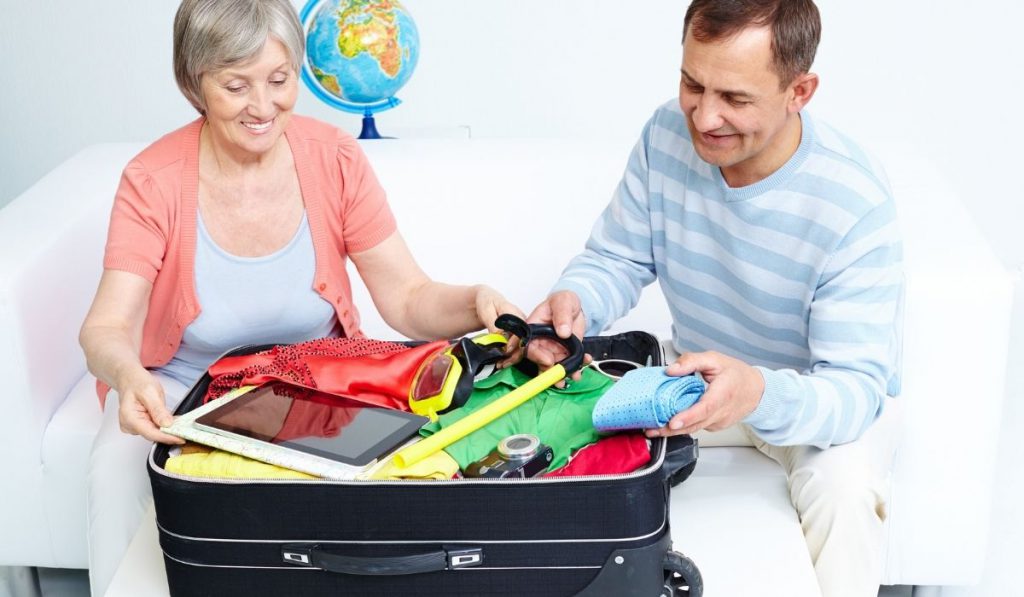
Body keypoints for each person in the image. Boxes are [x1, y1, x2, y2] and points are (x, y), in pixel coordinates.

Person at [77, 0, 519, 594]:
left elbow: (408, 297)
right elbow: (105, 329)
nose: (263, 108)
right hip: (185, 387)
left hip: (316, 385)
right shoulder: (151, 181)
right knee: (114, 468)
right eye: (236, 86)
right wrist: (131, 380)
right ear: (193, 85)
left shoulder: (333, 157)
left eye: (279, 81)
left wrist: (477, 301)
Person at [526, 1, 903, 596]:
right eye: (691, 84)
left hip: (816, 401)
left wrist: (759, 390)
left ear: (799, 91)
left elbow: (855, 389)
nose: (704, 117)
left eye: (735, 98)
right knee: (561, 427)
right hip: (695, 380)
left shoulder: (854, 201)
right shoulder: (663, 135)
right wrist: (578, 299)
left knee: (844, 493)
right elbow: (618, 257)